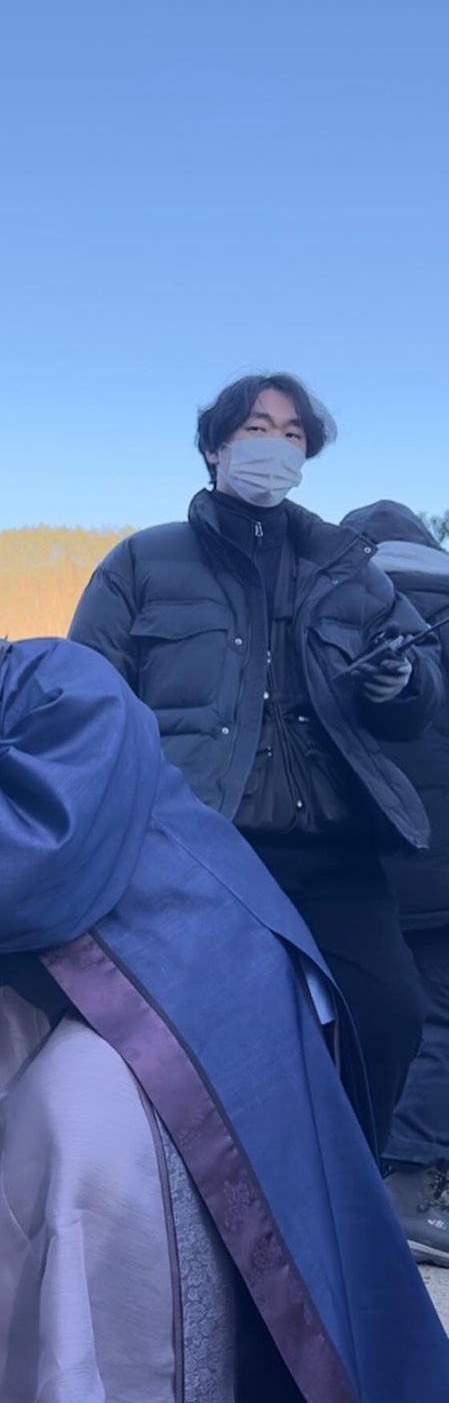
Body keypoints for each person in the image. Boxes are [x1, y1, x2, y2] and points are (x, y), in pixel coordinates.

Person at [0, 512, 449, 1403]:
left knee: (69, 1116)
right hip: (52, 981)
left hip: (188, 970)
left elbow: (42, 851)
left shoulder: (57, 676)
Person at [68, 373, 443, 1156]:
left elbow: (417, 697)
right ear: (214, 447)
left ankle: (346, 1184)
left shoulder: (347, 567)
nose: (275, 446)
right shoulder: (140, 562)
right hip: (202, 844)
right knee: (197, 1027)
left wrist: (400, 682)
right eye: (257, 429)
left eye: (292, 434)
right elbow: (86, 698)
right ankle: (196, 1189)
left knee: (389, 1014)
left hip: (333, 846)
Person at [341, 500, 449, 1264]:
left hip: (358, 861)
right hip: (442, 867)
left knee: (360, 1017)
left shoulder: (336, 611)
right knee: (440, 1022)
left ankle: (352, 1174)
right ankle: (408, 1188)